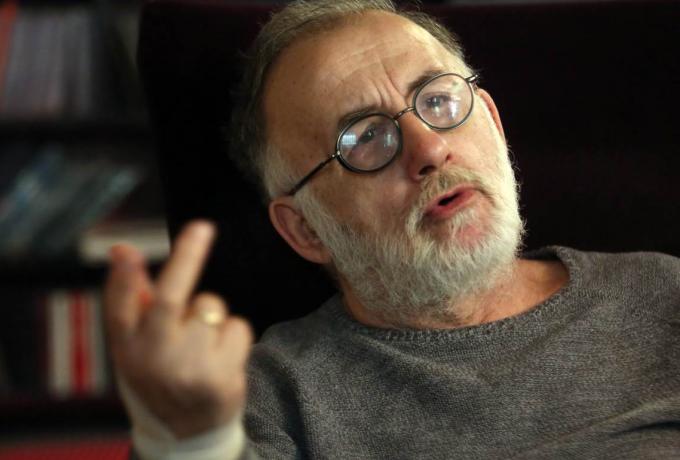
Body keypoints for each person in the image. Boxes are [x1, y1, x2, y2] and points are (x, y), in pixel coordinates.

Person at [104, 1, 680, 458]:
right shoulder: (264, 397)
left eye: (439, 101)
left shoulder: (662, 295)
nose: (430, 149)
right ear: (305, 229)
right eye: (364, 138)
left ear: (493, 122)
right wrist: (193, 445)